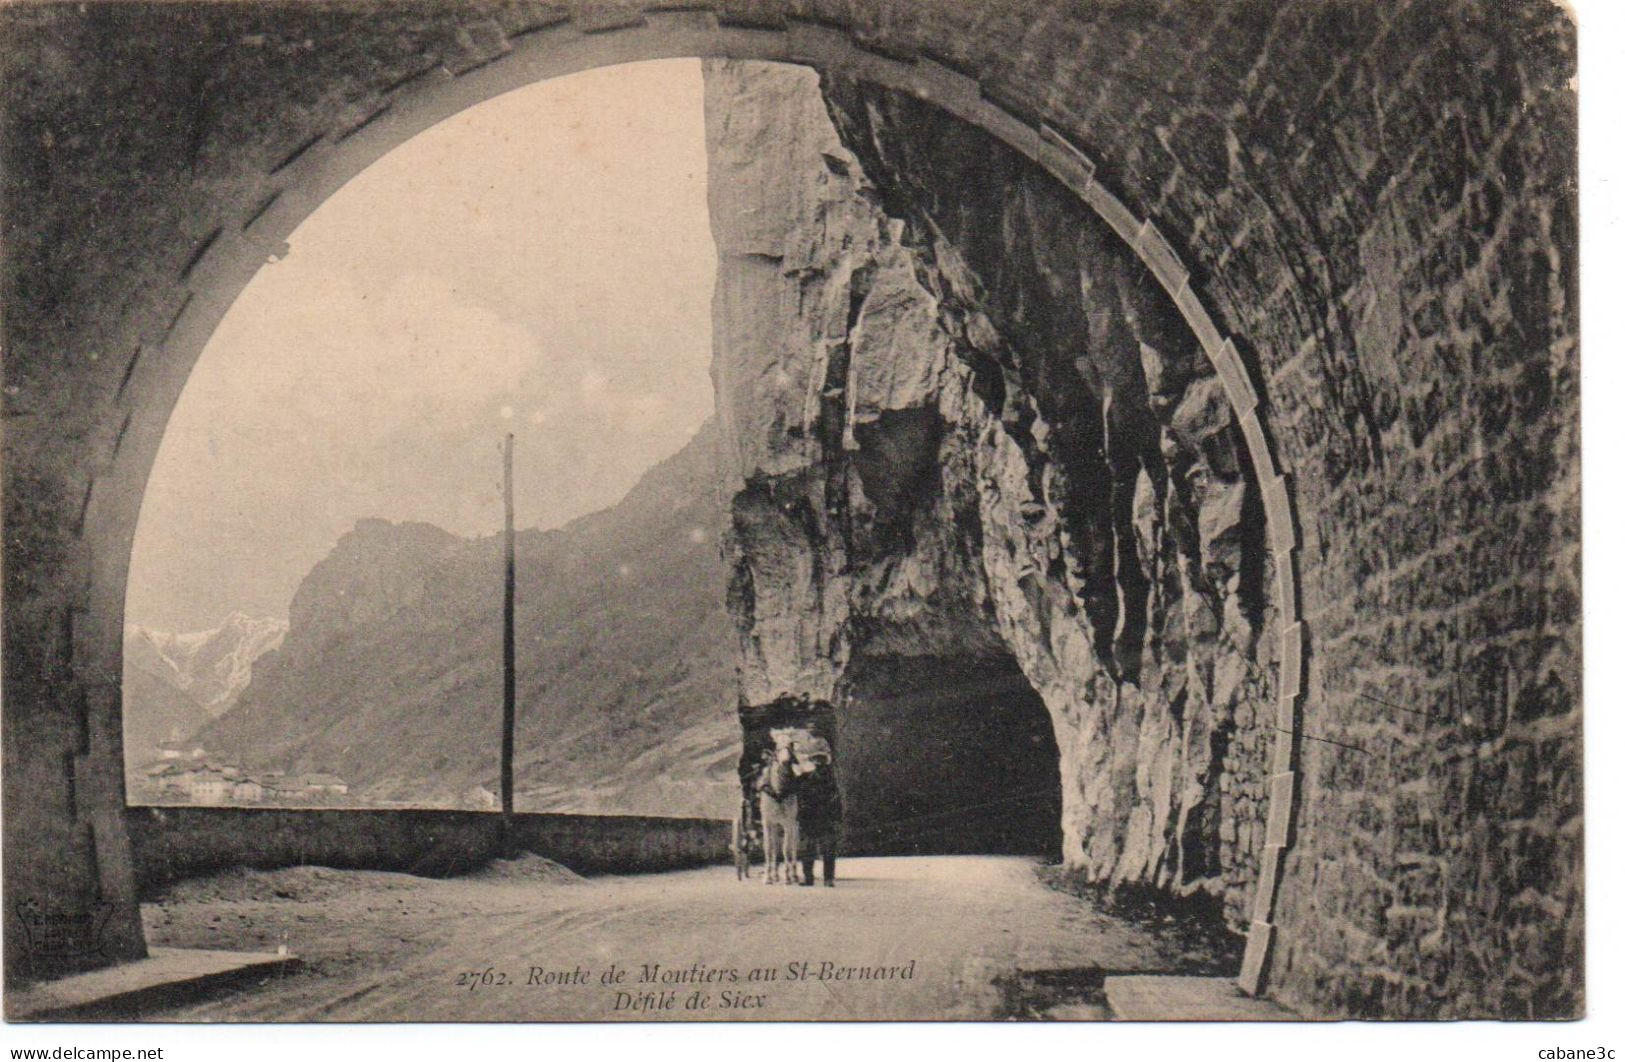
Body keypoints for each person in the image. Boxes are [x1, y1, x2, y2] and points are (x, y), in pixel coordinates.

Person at [794, 750, 842, 887]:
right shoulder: (806, 778)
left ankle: (826, 878)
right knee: (810, 849)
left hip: (823, 817)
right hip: (811, 817)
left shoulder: (829, 781)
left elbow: (836, 800)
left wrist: (836, 818)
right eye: (816, 762)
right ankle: (813, 878)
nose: (819, 764)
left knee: (825, 849)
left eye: (821, 762)